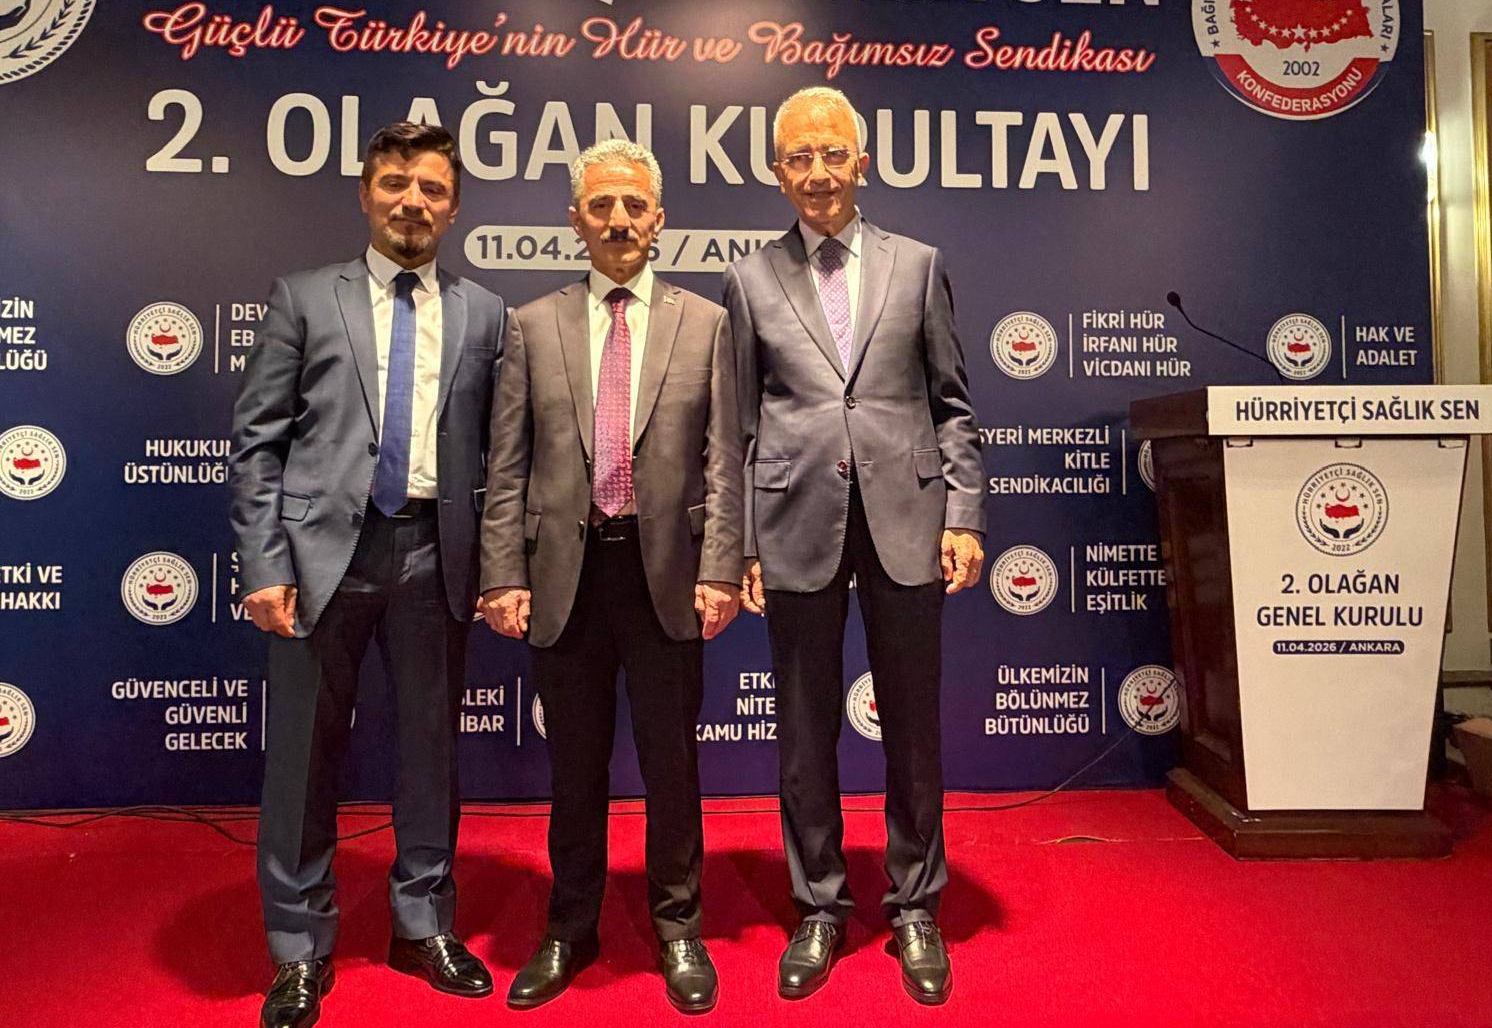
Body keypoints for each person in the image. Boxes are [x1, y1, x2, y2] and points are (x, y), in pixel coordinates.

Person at [230, 121, 504, 1028]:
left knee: (430, 751)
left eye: (432, 189)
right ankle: (299, 946)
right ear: (365, 193)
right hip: (320, 561)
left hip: (436, 553)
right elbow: (257, 444)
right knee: (303, 759)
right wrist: (264, 562)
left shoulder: (484, 314)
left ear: (454, 209)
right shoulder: (305, 297)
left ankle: (422, 923)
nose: (412, 202)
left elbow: (502, 457)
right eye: (395, 183)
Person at [722, 86, 987, 1006]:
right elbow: (738, 425)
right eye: (799, 156)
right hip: (792, 523)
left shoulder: (919, 265)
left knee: (913, 727)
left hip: (908, 520)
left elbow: (952, 405)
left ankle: (915, 904)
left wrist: (964, 516)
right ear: (777, 172)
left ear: (862, 162)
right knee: (803, 733)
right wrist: (742, 543)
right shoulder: (749, 279)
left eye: (833, 153)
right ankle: (820, 906)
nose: (819, 172)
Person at [479, 138, 741, 1014]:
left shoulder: (707, 323)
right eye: (601, 206)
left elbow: (724, 460)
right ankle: (569, 925)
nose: (619, 220)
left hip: (668, 576)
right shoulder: (531, 326)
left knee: (672, 766)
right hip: (565, 577)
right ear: (575, 221)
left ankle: (678, 925)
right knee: (576, 769)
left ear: (659, 219)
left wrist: (721, 566)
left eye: (634, 205)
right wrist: (501, 573)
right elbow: (508, 465)